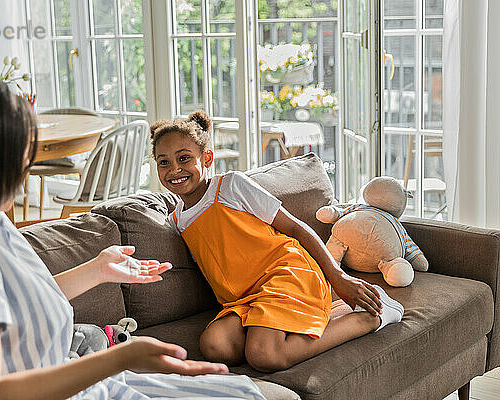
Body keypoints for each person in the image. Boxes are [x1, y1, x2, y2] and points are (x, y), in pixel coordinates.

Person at [0, 77, 267, 400]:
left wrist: (97, 269)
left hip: (78, 385)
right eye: (23, 156)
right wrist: (117, 358)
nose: (24, 172)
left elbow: (15, 302)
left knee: (241, 392)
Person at [150, 110, 405, 373]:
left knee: (265, 356)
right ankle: (323, 314)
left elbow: (295, 227)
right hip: (245, 298)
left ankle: (372, 317)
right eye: (164, 162)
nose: (175, 169)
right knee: (216, 346)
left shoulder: (230, 186)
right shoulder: (178, 220)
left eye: (184, 158)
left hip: (287, 274)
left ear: (207, 158)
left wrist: (338, 278)